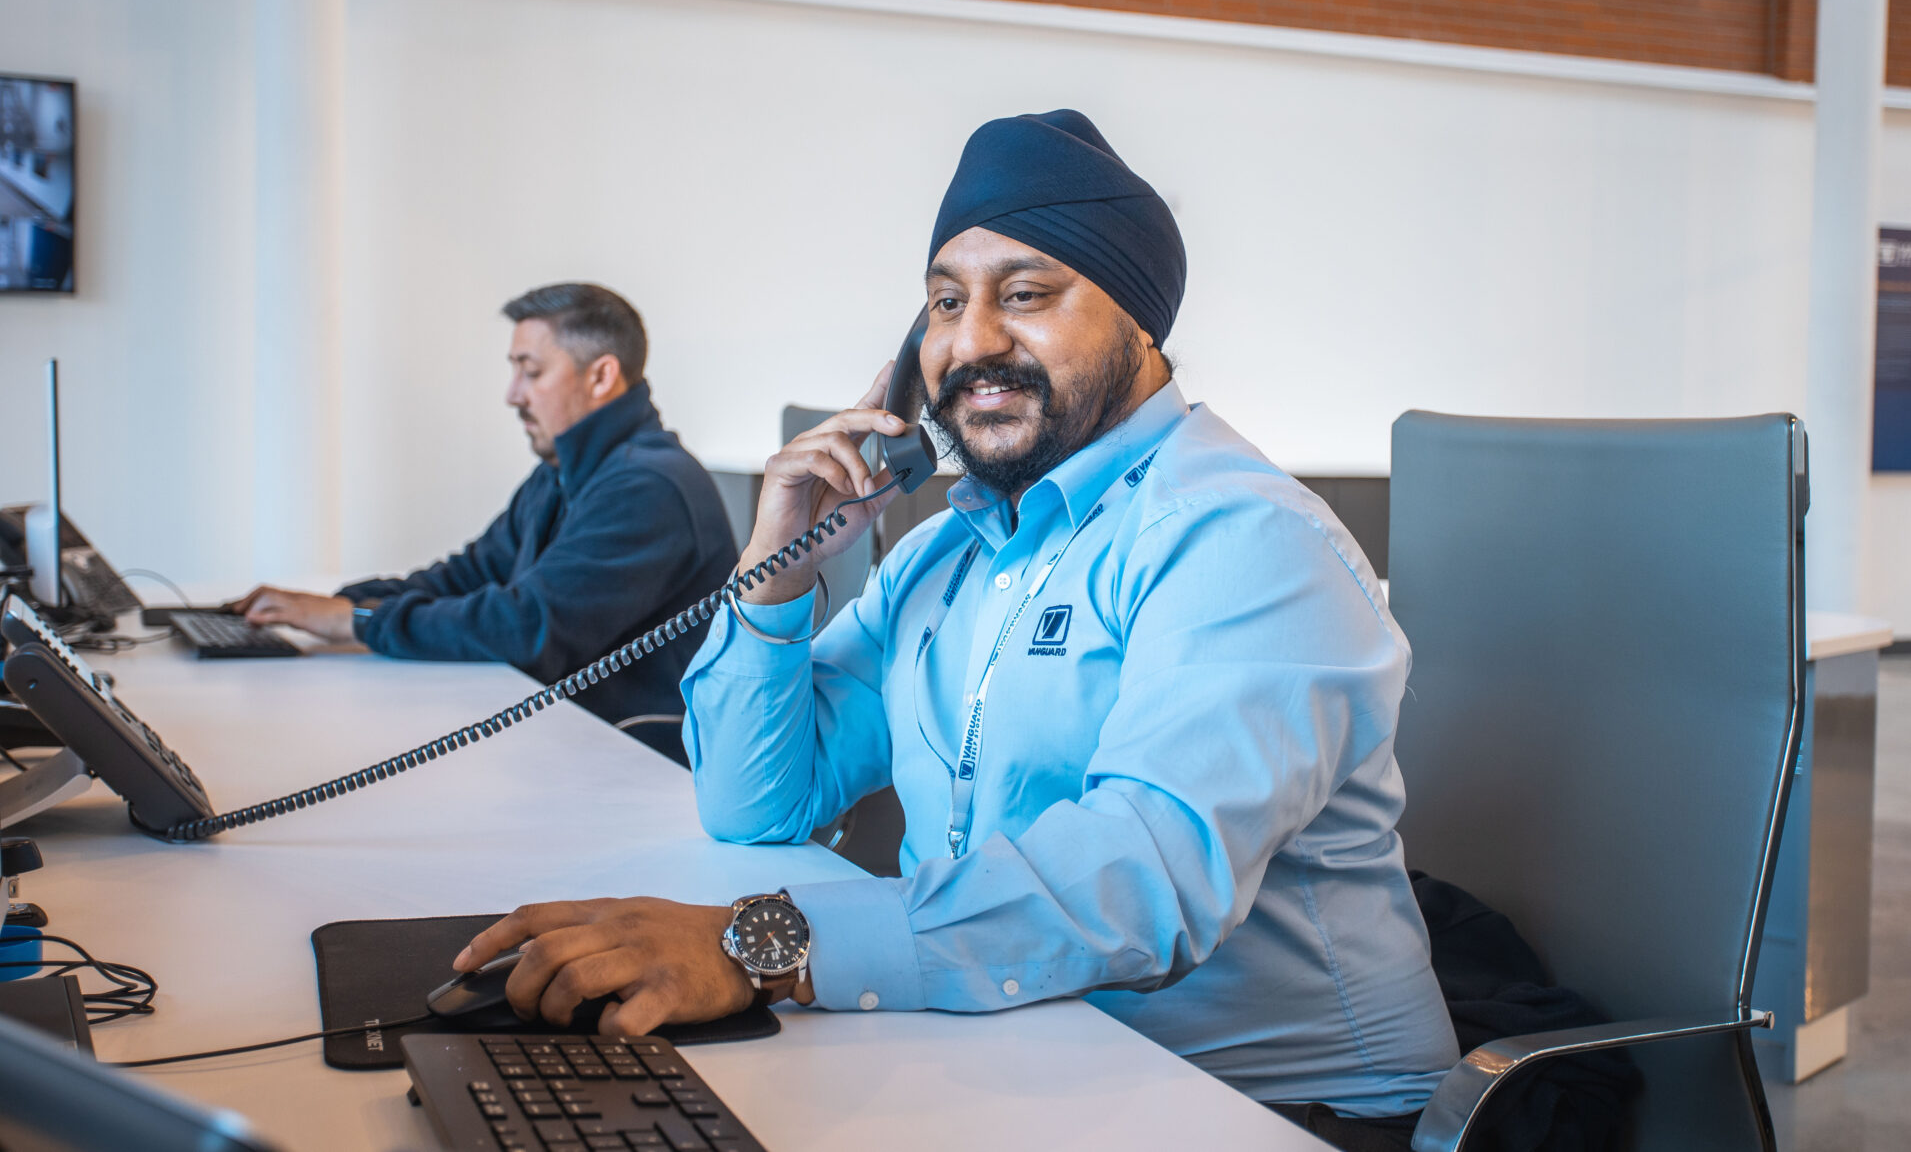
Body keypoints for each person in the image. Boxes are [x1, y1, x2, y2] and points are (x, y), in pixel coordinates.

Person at [451, 114, 1458, 1147]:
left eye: (1024, 295)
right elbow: (757, 802)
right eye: (943, 301)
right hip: (1014, 1058)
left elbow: (1141, 879)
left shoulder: (1243, 540)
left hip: (1274, 1110)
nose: (971, 342)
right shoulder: (947, 551)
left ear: (1141, 323)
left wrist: (760, 946)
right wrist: (783, 565)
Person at [237, 283, 737, 764]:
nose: (513, 394)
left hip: (639, 773)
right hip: (571, 750)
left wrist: (357, 622)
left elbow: (527, 629)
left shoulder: (647, 488)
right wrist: (345, 603)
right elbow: (471, 574)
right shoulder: (564, 474)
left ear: (601, 377)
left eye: (531, 372)